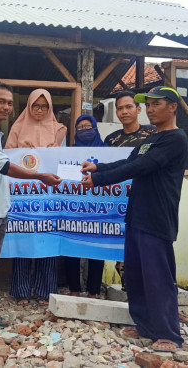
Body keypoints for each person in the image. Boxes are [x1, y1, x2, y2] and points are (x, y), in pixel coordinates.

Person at [81, 86, 187, 352]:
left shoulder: (175, 139)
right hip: (137, 214)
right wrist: (99, 167)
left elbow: (141, 167)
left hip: (157, 217)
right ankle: (145, 325)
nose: (150, 109)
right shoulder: (150, 140)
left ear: (173, 106)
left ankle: (169, 334)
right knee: (136, 274)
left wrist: (99, 180)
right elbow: (128, 161)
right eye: (148, 104)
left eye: (156, 104)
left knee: (158, 277)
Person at [0, 83, 61, 342]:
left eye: (9, 103)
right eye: (1, 101)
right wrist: (40, 175)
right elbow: (2, 165)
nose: (6, 107)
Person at [6, 89, 66, 306]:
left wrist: (54, 151)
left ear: (50, 108)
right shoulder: (18, 128)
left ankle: (44, 290)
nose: (40, 110)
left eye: (44, 106)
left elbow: (64, 160)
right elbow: (7, 158)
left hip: (48, 196)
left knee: (47, 240)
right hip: (24, 195)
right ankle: (21, 291)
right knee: (22, 238)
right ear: (29, 106)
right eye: (35, 106)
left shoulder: (58, 129)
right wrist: (23, 152)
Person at [104, 90, 156, 290]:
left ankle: (147, 292)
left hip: (147, 199)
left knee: (147, 247)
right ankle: (129, 292)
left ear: (138, 109)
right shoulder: (111, 139)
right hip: (119, 201)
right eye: (120, 108)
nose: (124, 111)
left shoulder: (152, 134)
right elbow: (111, 167)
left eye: (128, 107)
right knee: (122, 247)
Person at [65, 114, 106, 298]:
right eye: (79, 127)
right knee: (71, 245)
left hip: (99, 207)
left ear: (96, 128)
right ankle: (74, 288)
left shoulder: (106, 150)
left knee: (97, 246)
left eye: (88, 126)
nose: (84, 130)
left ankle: (93, 290)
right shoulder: (70, 151)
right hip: (74, 206)